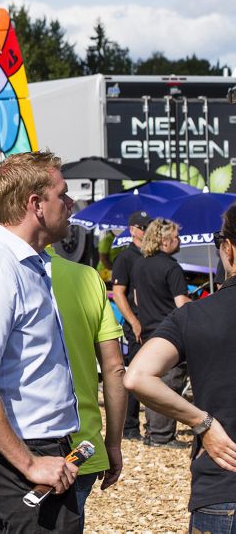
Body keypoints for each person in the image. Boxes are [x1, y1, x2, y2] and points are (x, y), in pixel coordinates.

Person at [0, 151, 82, 532]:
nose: (71, 203)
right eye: (63, 194)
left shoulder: (30, 264)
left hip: (42, 448)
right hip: (20, 455)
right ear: (35, 205)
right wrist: (28, 463)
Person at [124, 205, 236, 533]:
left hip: (223, 484)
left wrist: (202, 423)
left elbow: (137, 376)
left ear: (227, 248)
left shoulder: (196, 316)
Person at [49, 249, 126, 526]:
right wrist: (113, 443)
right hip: (81, 444)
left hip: (15, 443)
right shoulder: (86, 276)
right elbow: (115, 367)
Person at [132, 218, 191, 448]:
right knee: (169, 385)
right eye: (176, 236)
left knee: (152, 384)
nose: (179, 241)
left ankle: (152, 432)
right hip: (170, 333)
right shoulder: (172, 267)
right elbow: (181, 305)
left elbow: (137, 299)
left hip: (148, 331)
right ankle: (161, 436)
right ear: (165, 240)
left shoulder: (140, 264)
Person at [111, 210, 151, 440]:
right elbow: (118, 293)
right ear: (133, 230)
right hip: (135, 324)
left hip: (149, 321)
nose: (146, 232)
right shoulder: (126, 258)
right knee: (133, 373)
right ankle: (129, 426)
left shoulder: (149, 255)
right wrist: (134, 322)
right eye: (143, 228)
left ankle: (148, 426)